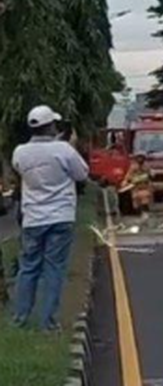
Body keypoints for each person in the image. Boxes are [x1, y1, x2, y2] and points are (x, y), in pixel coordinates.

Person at [11, 106, 89, 331]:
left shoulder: (19, 152)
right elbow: (81, 174)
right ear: (52, 126)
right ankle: (48, 322)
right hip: (60, 216)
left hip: (33, 218)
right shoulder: (63, 149)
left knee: (28, 267)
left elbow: (20, 172)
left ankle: (20, 317)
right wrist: (70, 145)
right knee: (54, 268)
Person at [122, 153, 153, 220]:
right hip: (136, 188)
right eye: (138, 158)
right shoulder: (133, 167)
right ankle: (139, 212)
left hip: (145, 187)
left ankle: (145, 213)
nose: (140, 160)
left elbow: (151, 175)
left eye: (141, 158)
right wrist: (125, 182)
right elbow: (128, 177)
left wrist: (149, 176)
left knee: (145, 199)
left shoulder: (147, 167)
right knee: (136, 202)